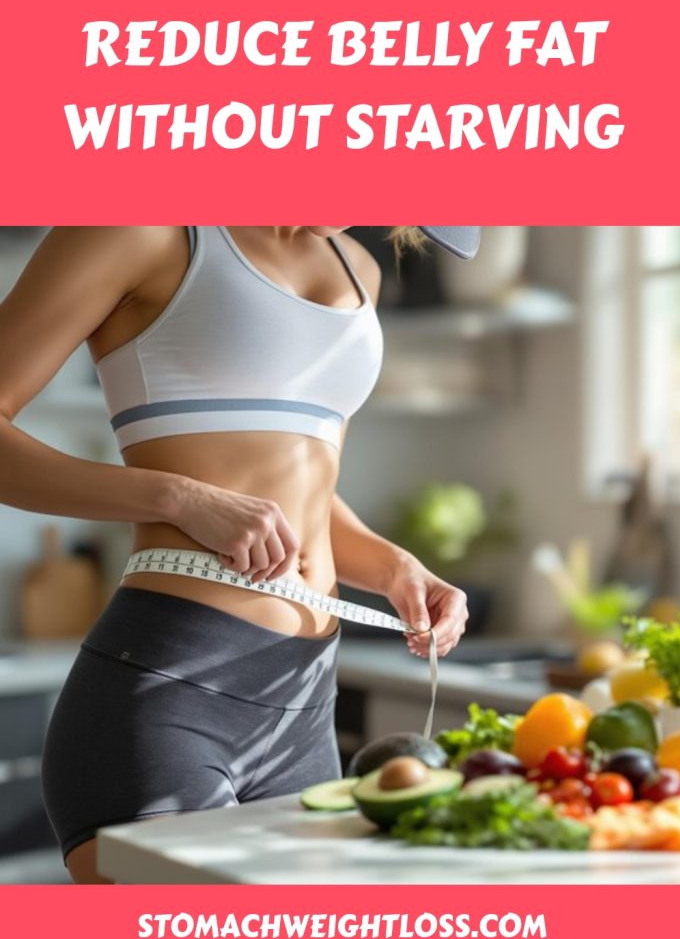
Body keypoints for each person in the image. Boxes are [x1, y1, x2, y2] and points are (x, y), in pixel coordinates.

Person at [0, 226, 469, 884]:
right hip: (172, 695)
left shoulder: (356, 264)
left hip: (304, 710)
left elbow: (297, 483)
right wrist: (177, 497)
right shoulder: (142, 227)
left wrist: (394, 566)